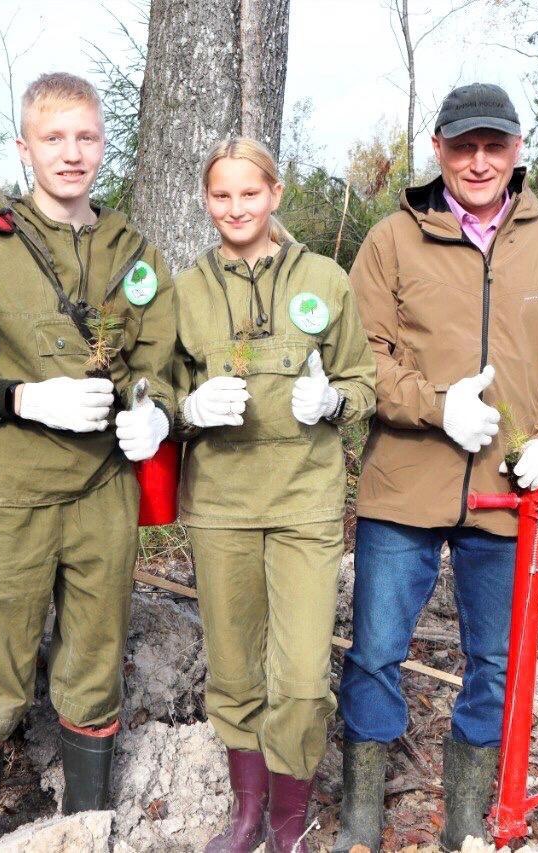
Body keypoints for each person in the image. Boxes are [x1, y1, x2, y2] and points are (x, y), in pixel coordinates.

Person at [334, 83, 538, 852]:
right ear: (439, 149)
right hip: (403, 488)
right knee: (376, 652)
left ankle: (464, 818)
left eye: (495, 145)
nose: (479, 161)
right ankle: (360, 815)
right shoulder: (392, 241)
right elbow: (361, 356)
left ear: (519, 150)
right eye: (464, 146)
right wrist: (433, 404)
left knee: (493, 659)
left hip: (509, 495)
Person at [0, 72, 176, 851]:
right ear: (25, 146)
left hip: (104, 491)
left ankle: (84, 833)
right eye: (54, 138)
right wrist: (23, 399)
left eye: (87, 137)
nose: (72, 154)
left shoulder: (133, 250)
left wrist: (153, 407)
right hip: (13, 493)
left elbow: (158, 359)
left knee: (95, 671)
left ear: (104, 144)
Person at [172, 137, 376, 853]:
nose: (236, 208)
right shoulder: (185, 288)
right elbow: (155, 393)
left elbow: (362, 382)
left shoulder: (325, 278)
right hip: (221, 504)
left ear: (275, 194)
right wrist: (187, 406)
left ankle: (291, 820)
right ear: (206, 199)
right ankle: (247, 812)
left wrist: (333, 402)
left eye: (249, 193)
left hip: (304, 504)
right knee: (232, 669)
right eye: (222, 195)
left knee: (298, 676)